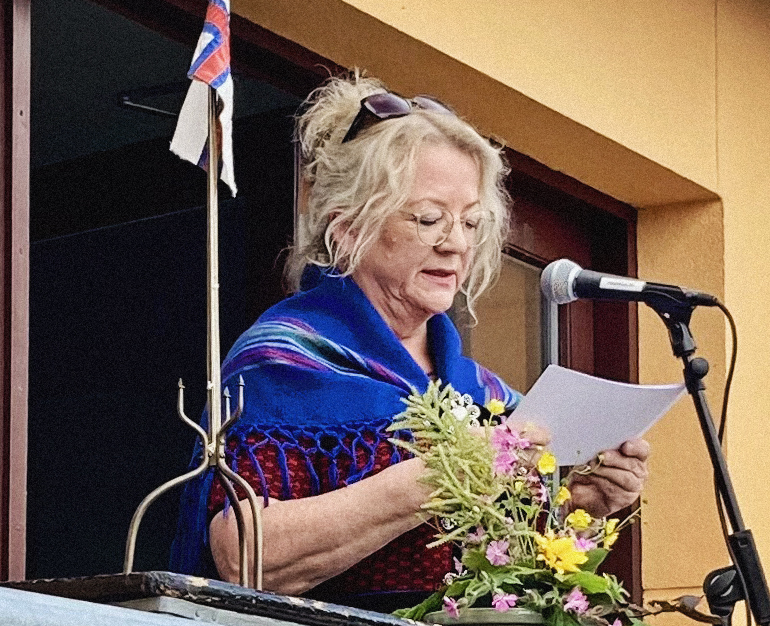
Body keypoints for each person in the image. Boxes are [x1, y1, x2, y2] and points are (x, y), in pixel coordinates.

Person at [170, 72, 650, 611]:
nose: (456, 244)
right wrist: (441, 474)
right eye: (429, 219)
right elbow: (245, 557)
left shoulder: (483, 393)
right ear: (348, 230)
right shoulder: (280, 362)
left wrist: (579, 505)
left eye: (471, 223)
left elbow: (498, 582)